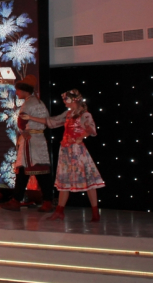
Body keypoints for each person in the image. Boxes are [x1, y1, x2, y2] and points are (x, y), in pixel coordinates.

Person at [21, 89, 104, 222]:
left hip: (77, 151)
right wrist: (30, 118)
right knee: (64, 180)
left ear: (74, 100)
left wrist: (81, 137)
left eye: (66, 99)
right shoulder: (68, 114)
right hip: (65, 150)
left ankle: (95, 212)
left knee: (88, 180)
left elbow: (91, 129)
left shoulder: (85, 115)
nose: (64, 101)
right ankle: (59, 211)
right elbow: (51, 122)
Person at [0, 76, 53, 212]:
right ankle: (18, 199)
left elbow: (21, 122)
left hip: (30, 140)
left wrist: (23, 131)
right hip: (38, 138)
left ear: (24, 91)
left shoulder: (28, 104)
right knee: (29, 170)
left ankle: (45, 201)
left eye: (18, 90)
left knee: (35, 170)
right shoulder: (38, 102)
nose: (17, 93)